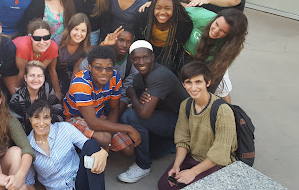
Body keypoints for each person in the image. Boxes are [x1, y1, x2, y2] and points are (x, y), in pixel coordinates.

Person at [118, 40, 189, 184]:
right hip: (166, 118)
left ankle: (143, 165)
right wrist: (140, 100)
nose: (141, 62)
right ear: (131, 59)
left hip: (184, 123)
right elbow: (142, 105)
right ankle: (172, 145)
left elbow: (143, 114)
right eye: (136, 58)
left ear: (152, 57)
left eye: (145, 57)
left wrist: (132, 95)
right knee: (127, 117)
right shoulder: (138, 78)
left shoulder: (159, 75)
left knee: (133, 117)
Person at [157, 62, 237, 189]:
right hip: (193, 157)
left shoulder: (223, 110)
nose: (193, 88)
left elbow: (220, 152)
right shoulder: (186, 105)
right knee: (165, 185)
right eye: (189, 82)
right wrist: (176, 165)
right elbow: (183, 139)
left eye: (198, 82)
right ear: (183, 84)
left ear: (208, 83)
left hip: (216, 163)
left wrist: (193, 172)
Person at [63, 46, 141, 156]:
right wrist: (129, 129)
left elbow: (114, 109)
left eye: (108, 68)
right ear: (90, 67)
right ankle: (88, 152)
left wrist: (109, 133)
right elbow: (92, 122)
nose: (104, 72)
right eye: (98, 68)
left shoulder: (115, 77)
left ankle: (99, 148)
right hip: (75, 118)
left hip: (98, 116)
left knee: (128, 149)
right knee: (103, 139)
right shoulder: (81, 83)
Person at [26, 100, 108, 189]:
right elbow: (29, 182)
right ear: (30, 119)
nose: (41, 123)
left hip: (79, 181)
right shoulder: (28, 145)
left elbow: (89, 147)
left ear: (51, 118)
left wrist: (103, 152)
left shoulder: (64, 128)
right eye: (36, 117)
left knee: (92, 144)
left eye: (46, 117)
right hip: (57, 188)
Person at [183, 8, 248, 103]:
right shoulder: (202, 17)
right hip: (187, 55)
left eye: (223, 31)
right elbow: (179, 5)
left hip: (211, 64)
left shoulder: (231, 47)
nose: (215, 30)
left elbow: (216, 73)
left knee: (208, 94)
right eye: (216, 24)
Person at [135, 0, 192, 74]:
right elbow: (138, 34)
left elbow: (181, 41)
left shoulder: (183, 23)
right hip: (149, 47)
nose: (162, 12)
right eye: (158, 8)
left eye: (167, 9)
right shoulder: (144, 16)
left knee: (166, 71)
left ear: (174, 9)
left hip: (169, 51)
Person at [9, 61, 64, 134]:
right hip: (27, 137)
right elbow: (15, 128)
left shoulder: (47, 90)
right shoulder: (17, 99)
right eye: (32, 75)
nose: (35, 79)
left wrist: (45, 122)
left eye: (39, 76)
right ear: (25, 77)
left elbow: (58, 111)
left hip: (50, 131)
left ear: (44, 78)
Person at [13, 19, 61, 100]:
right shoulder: (23, 47)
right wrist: (17, 91)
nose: (42, 42)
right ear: (31, 38)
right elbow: (22, 71)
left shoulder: (53, 47)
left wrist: (58, 93)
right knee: (18, 96)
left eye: (46, 37)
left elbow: (49, 70)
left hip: (30, 71)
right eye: (37, 38)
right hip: (13, 68)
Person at [53, 13, 91, 95]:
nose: (79, 34)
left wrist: (71, 89)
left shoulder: (84, 46)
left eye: (83, 31)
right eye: (76, 29)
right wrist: (58, 92)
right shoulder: (57, 42)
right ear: (70, 29)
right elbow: (51, 69)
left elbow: (77, 67)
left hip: (66, 72)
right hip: (51, 73)